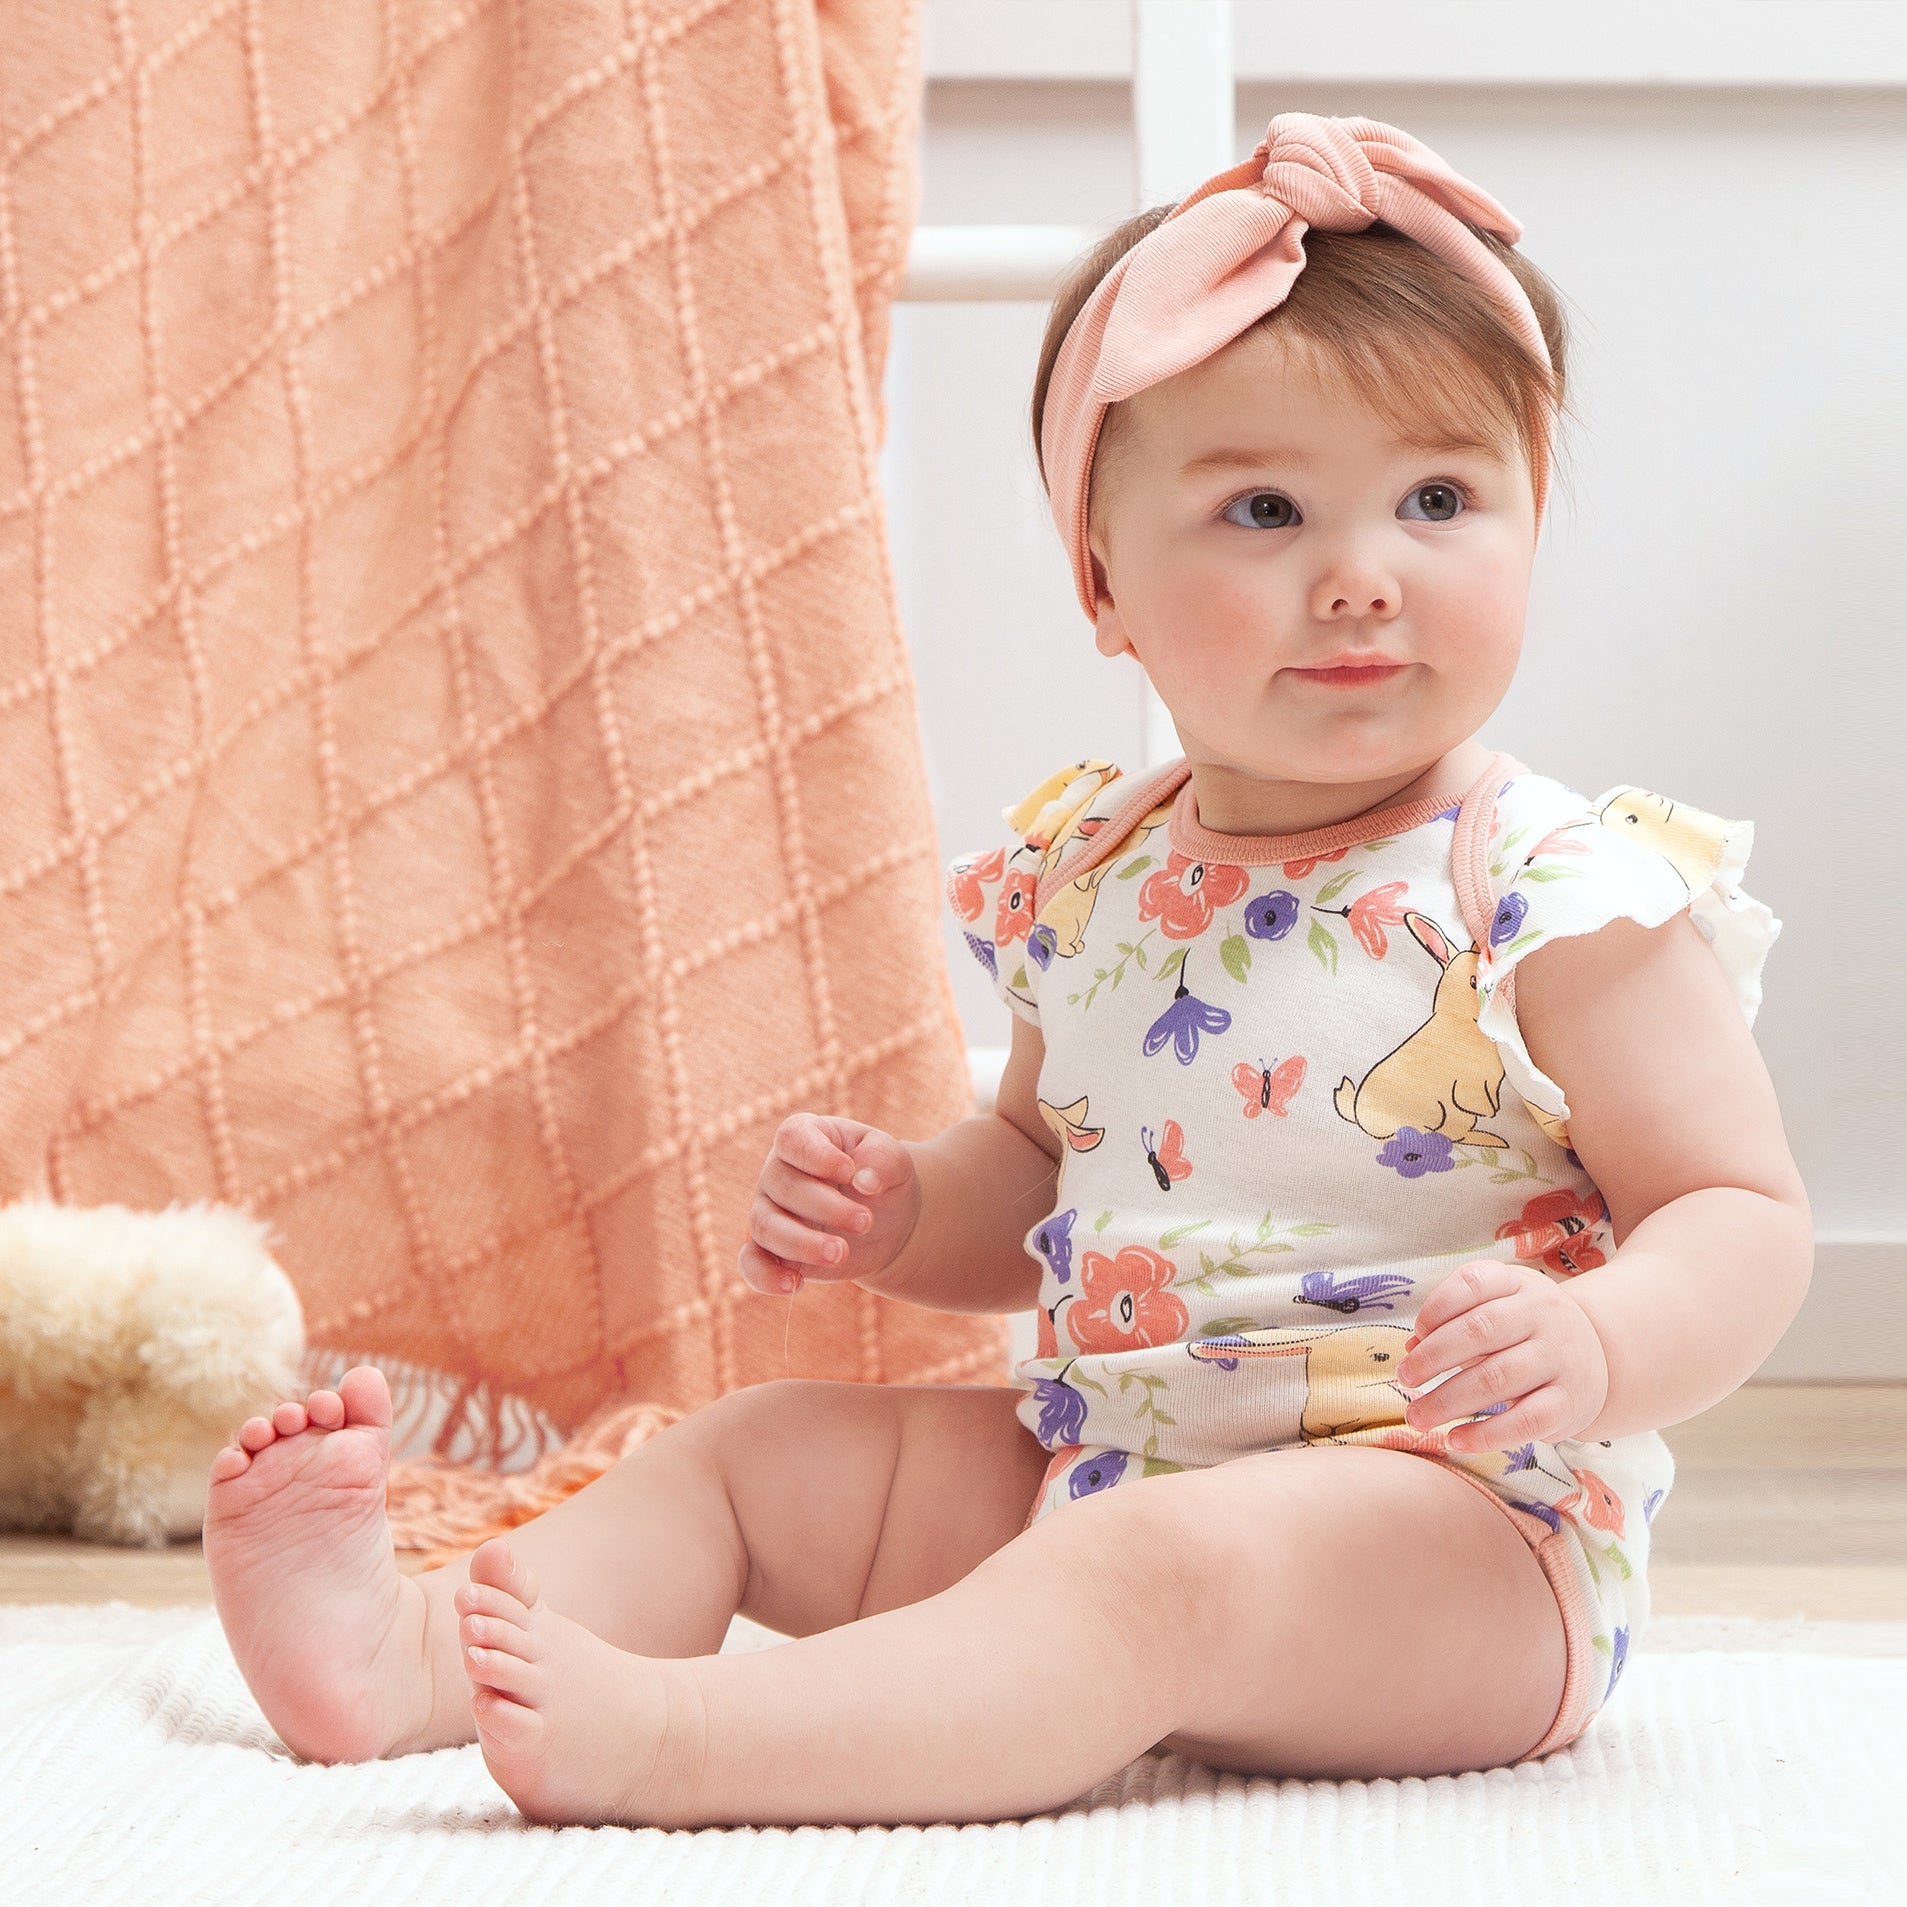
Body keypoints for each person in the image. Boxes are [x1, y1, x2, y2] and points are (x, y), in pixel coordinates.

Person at [200, 114, 1812, 1829]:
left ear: (1529, 519)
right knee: (756, 1452)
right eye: (1266, 509)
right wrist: (909, 1212)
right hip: (1103, 1465)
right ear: (1105, 583)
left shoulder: (1552, 889)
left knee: (1149, 1575)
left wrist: (1603, 1340)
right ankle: (407, 1658)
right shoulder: (1101, 876)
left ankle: (689, 1745)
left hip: (1462, 1538)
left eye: (1438, 500)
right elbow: (1046, 1168)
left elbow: (1737, 1209)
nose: (1361, 578)